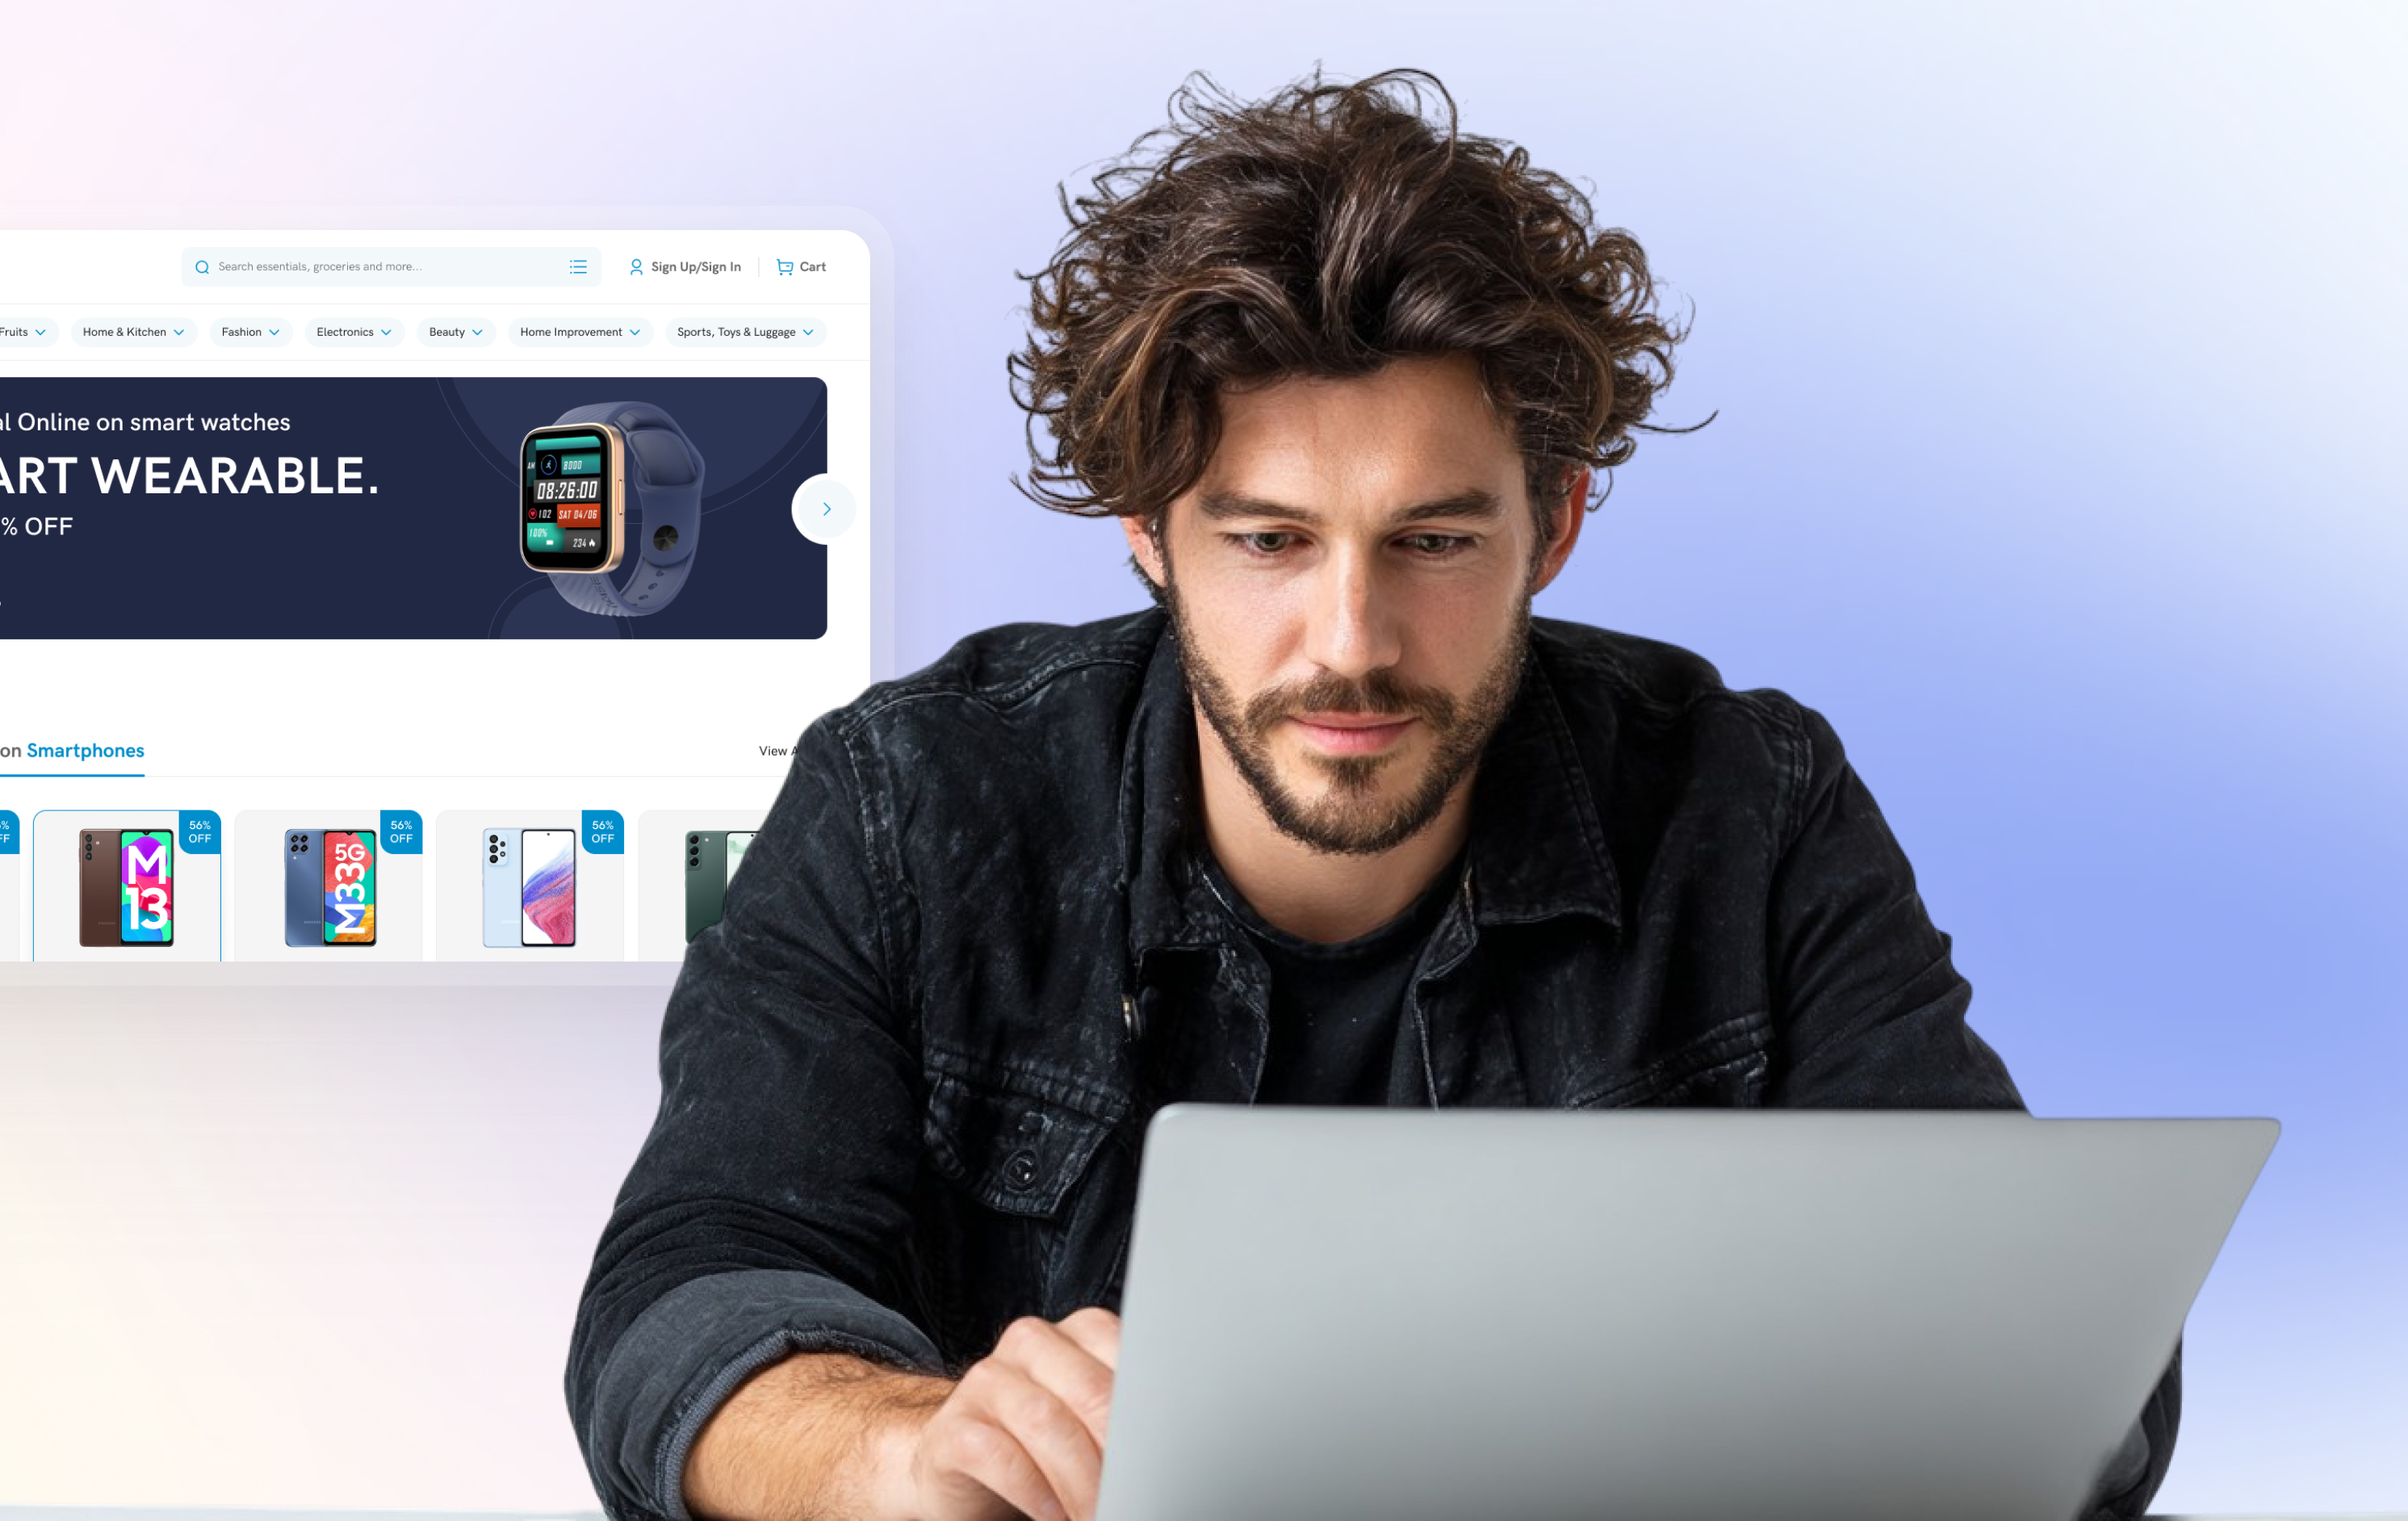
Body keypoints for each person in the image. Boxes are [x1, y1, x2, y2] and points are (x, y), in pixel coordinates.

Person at [565, 69, 2178, 1521]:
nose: (1351, 645)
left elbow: (2074, 1387)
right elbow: (683, 1302)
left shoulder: (1751, 807)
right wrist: (902, 1452)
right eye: (1268, 540)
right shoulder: (909, 806)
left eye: (1435, 539)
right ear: (1147, 532)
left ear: (1555, 527)